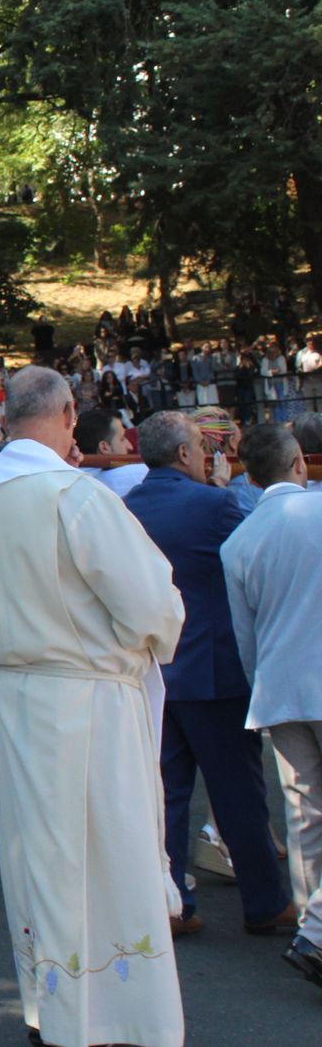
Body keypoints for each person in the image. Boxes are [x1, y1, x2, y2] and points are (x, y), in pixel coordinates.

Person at [0, 366, 186, 1047]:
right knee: (107, 858)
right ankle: (119, 1019)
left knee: (42, 862)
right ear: (68, 412)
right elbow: (150, 605)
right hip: (89, 700)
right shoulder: (71, 495)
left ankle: (53, 1007)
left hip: (19, 696)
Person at [122, 412, 291, 935]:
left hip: (153, 667)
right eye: (200, 444)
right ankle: (265, 902)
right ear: (183, 454)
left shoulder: (122, 507)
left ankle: (173, 901)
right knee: (238, 792)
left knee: (166, 793)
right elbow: (251, 556)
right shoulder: (215, 504)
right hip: (213, 668)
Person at [220, 424, 322, 992]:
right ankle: (315, 931)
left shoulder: (239, 540)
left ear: (250, 477)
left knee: (305, 815)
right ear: (300, 464)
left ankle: (312, 929)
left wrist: (263, 683)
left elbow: (246, 635)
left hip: (279, 689)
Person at [74, 406, 147, 497]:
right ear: (104, 447)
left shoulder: (72, 481)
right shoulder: (136, 473)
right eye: (122, 439)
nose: (130, 446)